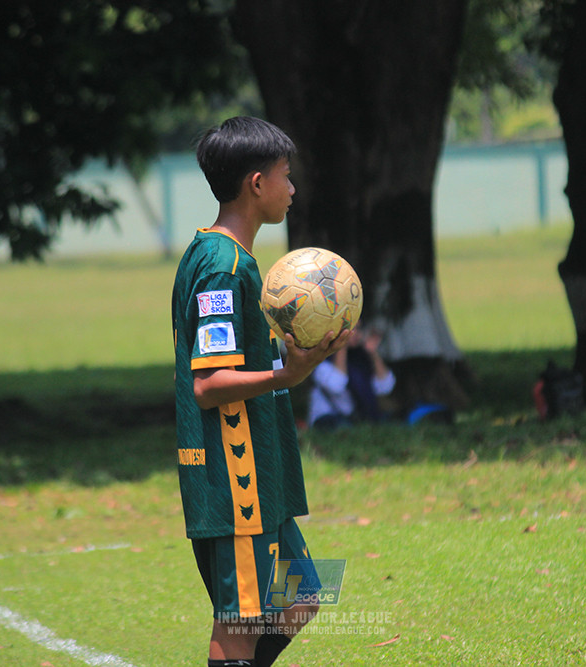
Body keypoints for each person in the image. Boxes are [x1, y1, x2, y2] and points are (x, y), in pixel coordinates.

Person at [171, 116, 351, 667]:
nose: (292, 189)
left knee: (300, 597)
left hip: (258, 476)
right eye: (285, 175)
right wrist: (286, 376)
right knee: (241, 619)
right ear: (256, 183)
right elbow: (209, 384)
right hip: (234, 475)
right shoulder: (222, 267)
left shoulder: (235, 261)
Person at [307, 326, 396, 430]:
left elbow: (385, 388)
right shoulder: (321, 359)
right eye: (348, 329)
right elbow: (336, 385)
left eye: (357, 328)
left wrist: (373, 352)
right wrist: (342, 345)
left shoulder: (361, 357)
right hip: (326, 419)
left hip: (355, 419)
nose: (353, 333)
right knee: (342, 426)